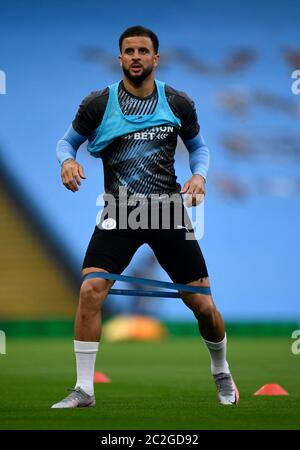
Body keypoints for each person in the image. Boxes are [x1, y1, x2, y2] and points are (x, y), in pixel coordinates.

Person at [52, 26, 239, 408]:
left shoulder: (177, 102)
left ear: (156, 58)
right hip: (119, 212)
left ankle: (221, 371)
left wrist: (200, 176)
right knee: (90, 291)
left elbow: (199, 148)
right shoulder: (98, 104)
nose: (135, 56)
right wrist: (67, 161)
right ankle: (84, 390)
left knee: (202, 305)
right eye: (128, 51)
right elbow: (65, 142)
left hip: (168, 211)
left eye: (143, 51)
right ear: (120, 58)